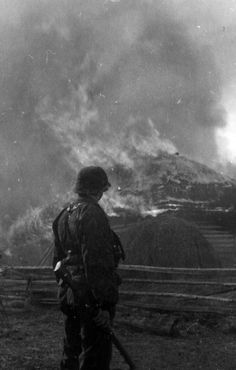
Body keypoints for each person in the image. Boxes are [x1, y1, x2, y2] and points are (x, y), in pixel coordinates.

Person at [52, 166, 124, 370]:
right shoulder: (92, 213)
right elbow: (97, 262)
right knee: (95, 357)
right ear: (98, 189)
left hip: (71, 295)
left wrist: (69, 289)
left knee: (71, 351)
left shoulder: (64, 214)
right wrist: (101, 305)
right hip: (91, 299)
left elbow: (57, 260)